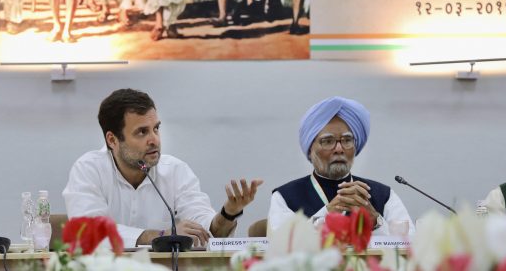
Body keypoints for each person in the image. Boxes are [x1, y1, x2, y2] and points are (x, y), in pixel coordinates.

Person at [63, 88, 263, 248]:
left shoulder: (176, 171)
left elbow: (205, 231)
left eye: (156, 128)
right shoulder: (89, 170)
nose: (154, 140)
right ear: (112, 140)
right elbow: (87, 232)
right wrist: (161, 236)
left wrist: (227, 214)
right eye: (142, 132)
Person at [268, 96, 414, 235]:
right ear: (310, 148)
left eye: (347, 140)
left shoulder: (382, 195)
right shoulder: (285, 197)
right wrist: (328, 214)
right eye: (328, 141)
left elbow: (410, 244)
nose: (339, 149)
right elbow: (280, 246)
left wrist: (375, 222)